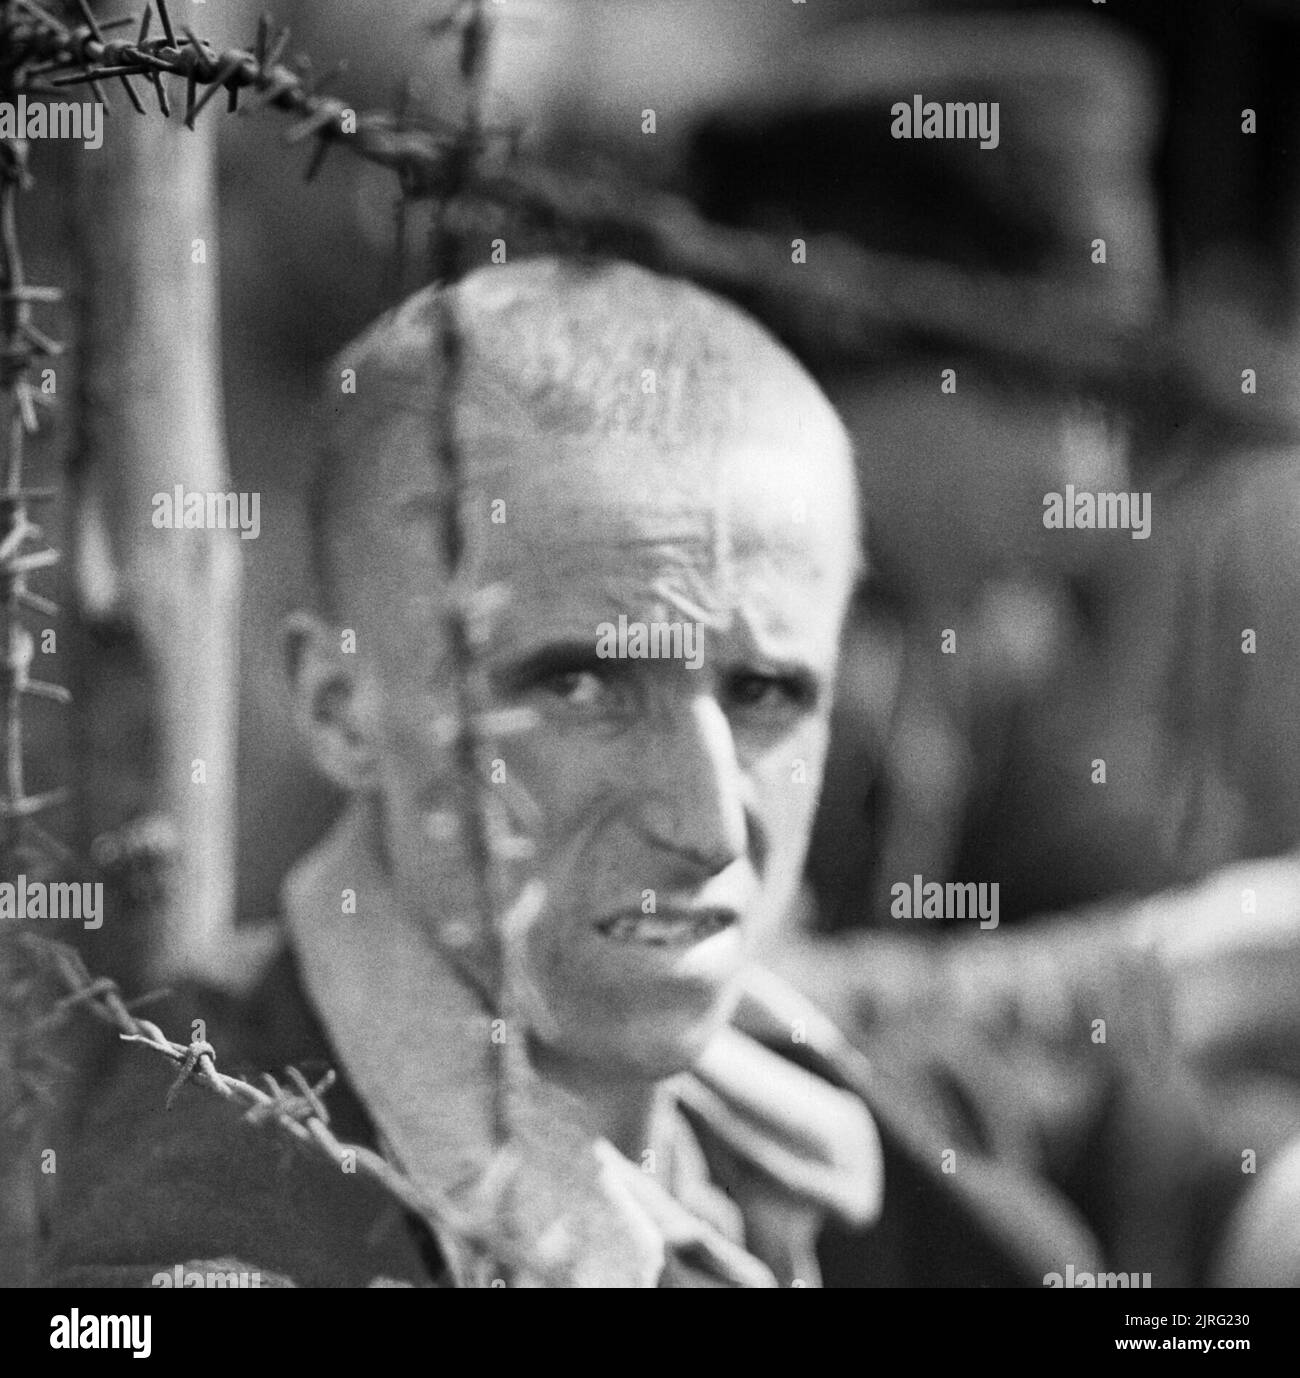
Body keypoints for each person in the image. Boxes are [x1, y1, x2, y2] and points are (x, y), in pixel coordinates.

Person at [46, 258, 1109, 1287]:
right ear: (339, 706)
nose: (711, 827)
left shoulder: (801, 1110)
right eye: (583, 688)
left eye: (766, 694)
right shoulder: (209, 1239)